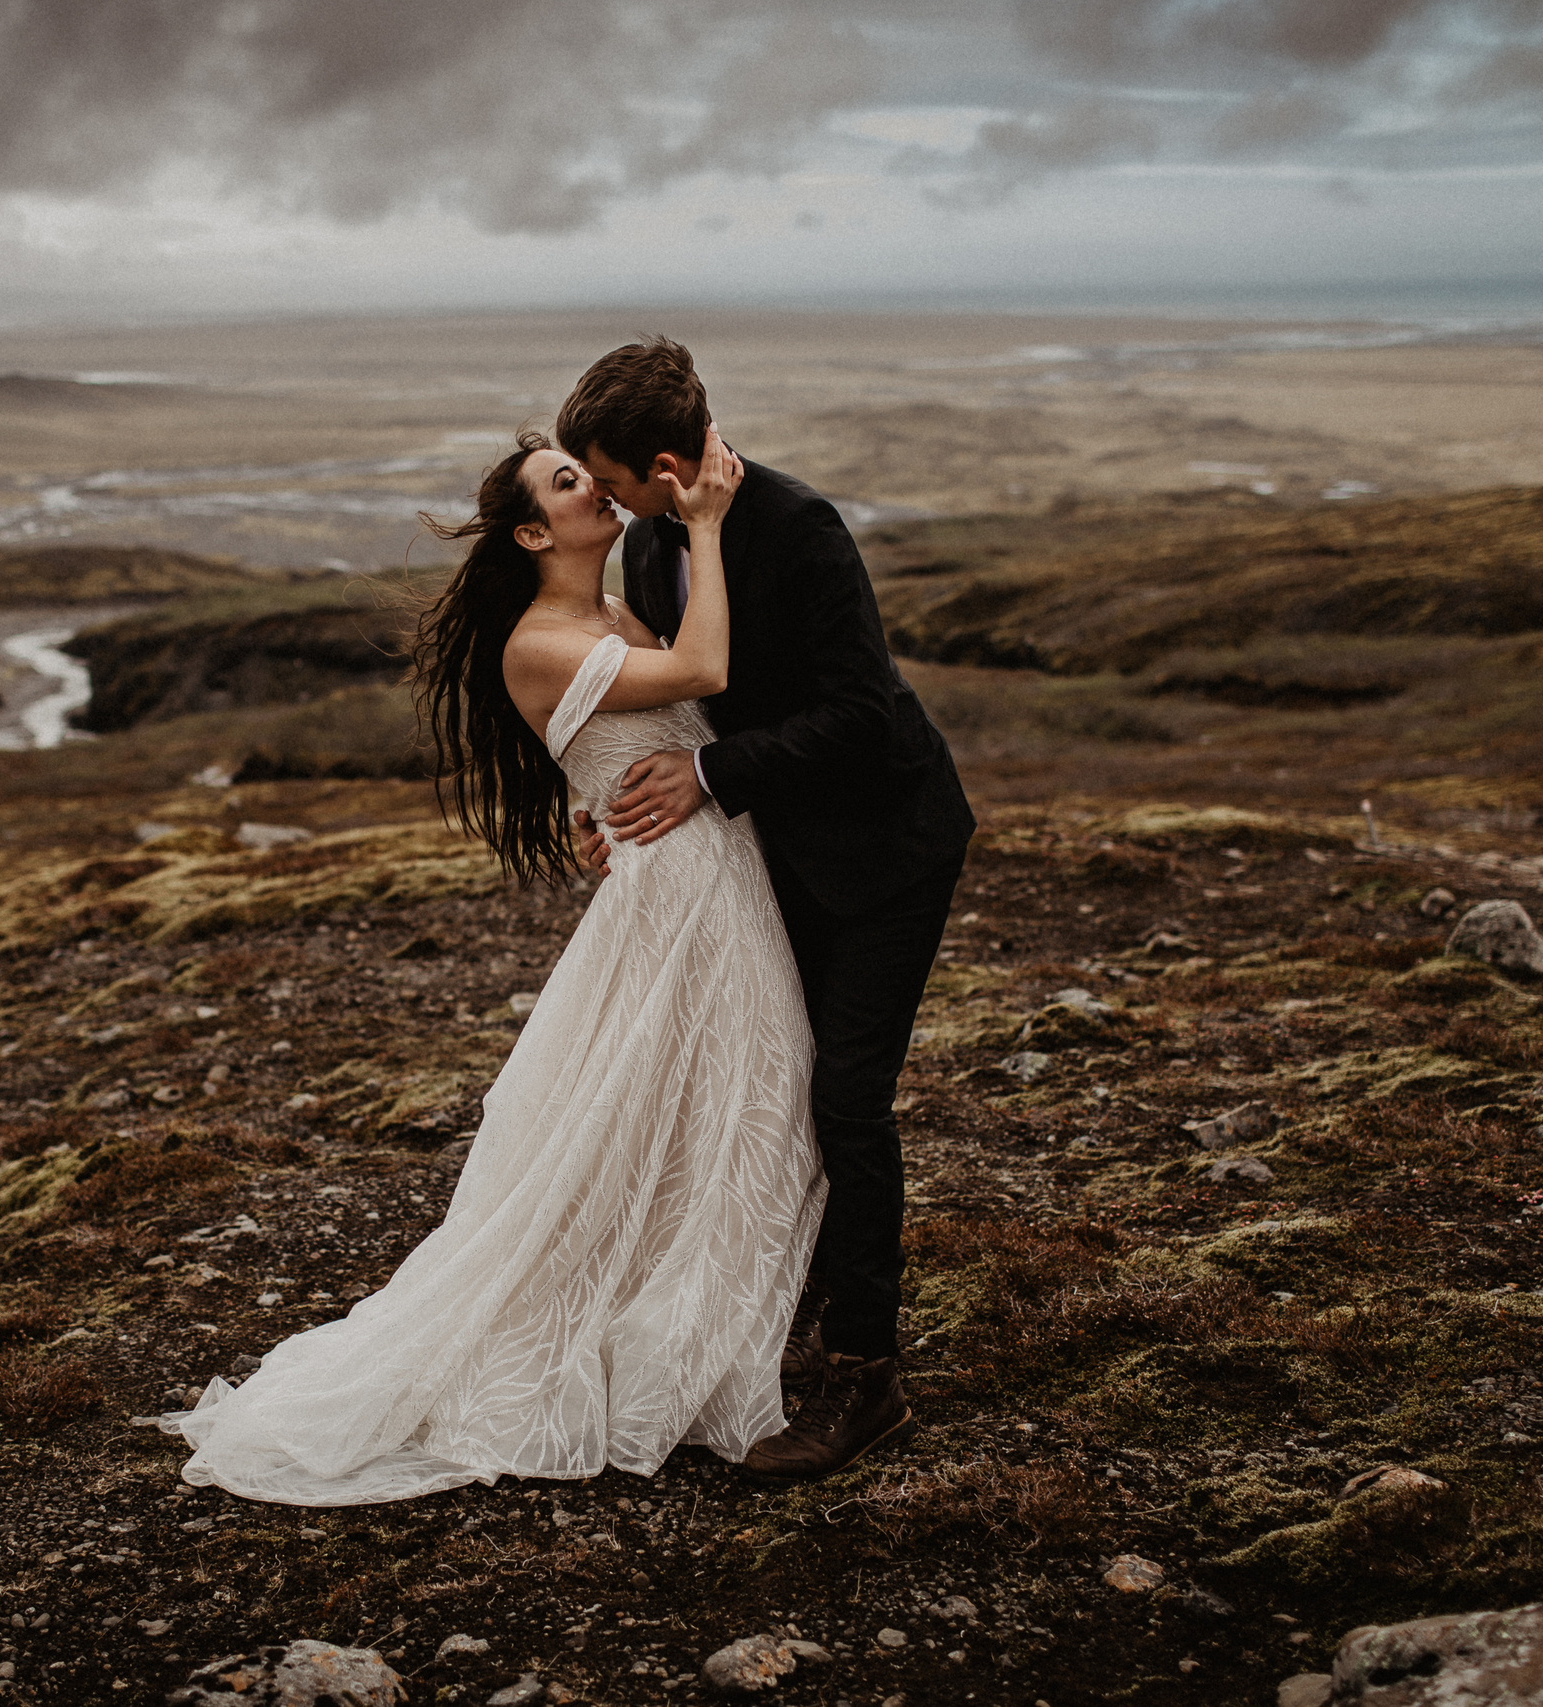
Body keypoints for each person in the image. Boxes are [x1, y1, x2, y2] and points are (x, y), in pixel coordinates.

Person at [160, 420, 831, 1504]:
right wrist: (704, 522)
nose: (590, 488)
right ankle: (672, 1347)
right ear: (530, 530)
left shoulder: (613, 608)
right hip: (684, 896)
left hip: (707, 878)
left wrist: (589, 808)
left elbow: (638, 736)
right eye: (567, 482)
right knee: (727, 1099)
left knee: (730, 1103)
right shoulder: (538, 639)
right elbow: (702, 669)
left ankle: (705, 1329)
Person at [557, 336, 975, 1480]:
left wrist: (705, 781)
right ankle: (774, 1316)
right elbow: (680, 708)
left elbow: (863, 717)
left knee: (845, 1101)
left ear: (657, 462)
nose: (594, 498)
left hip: (887, 850)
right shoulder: (652, 542)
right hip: (774, 855)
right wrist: (616, 804)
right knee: (768, 1086)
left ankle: (865, 1378)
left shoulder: (799, 529)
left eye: (602, 477)